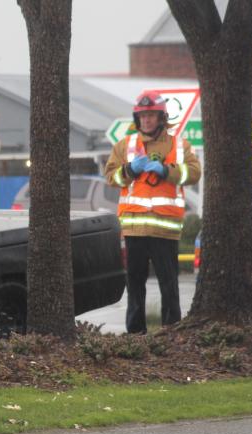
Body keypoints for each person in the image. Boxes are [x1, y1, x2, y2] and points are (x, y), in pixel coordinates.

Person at [105, 92, 202, 334]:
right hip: (134, 228)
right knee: (135, 284)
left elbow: (194, 173)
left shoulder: (179, 145)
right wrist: (129, 169)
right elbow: (111, 178)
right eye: (143, 116)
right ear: (137, 119)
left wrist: (166, 171)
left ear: (161, 118)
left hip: (165, 229)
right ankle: (135, 334)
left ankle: (172, 332)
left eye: (151, 116)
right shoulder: (124, 146)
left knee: (169, 285)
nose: (147, 120)